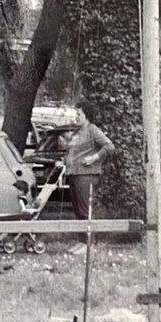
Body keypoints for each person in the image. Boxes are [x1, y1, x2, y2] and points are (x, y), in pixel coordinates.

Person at [64, 99, 116, 255]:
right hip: (73, 174)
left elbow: (109, 146)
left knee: (85, 210)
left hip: (86, 175)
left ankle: (88, 244)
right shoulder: (76, 132)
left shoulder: (92, 130)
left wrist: (93, 158)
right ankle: (81, 242)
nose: (76, 117)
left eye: (79, 114)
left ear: (87, 115)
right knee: (77, 211)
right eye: (75, 114)